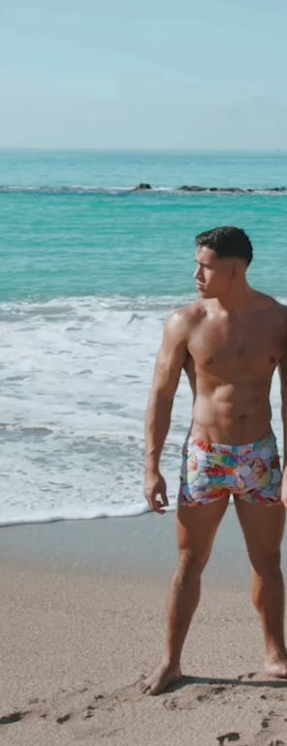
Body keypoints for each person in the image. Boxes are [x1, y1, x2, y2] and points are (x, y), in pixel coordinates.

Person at [141, 225, 287, 695]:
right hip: (205, 458)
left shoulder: (278, 320)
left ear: (235, 269)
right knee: (190, 561)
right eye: (197, 265)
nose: (196, 275)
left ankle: (276, 654)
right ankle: (171, 662)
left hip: (260, 457)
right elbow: (161, 396)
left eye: (205, 266)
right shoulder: (185, 322)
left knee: (268, 560)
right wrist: (151, 466)